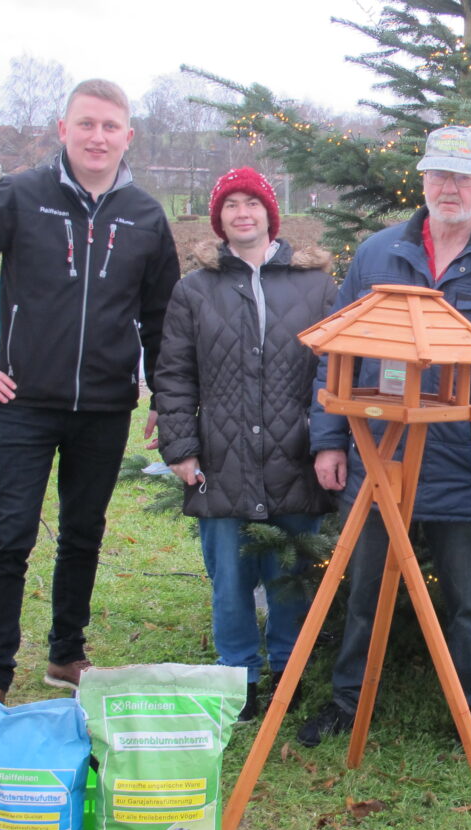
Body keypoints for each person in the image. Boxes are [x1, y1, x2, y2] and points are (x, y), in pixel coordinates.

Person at [0, 79, 180, 720]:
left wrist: (162, 397)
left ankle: (67, 653)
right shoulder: (20, 196)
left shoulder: (145, 216)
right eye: (86, 124)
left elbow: (161, 318)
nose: (97, 137)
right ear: (63, 129)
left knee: (83, 534)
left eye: (110, 127)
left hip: (103, 407)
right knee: (8, 536)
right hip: (24, 404)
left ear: (128, 136)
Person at [298, 125, 471, 752]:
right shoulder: (377, 255)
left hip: (468, 469)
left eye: (465, 177)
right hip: (378, 459)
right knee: (364, 589)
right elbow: (336, 353)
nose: (450, 187)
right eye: (440, 175)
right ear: (424, 180)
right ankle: (348, 702)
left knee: (469, 600)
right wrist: (330, 439)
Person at [156, 167, 337, 722]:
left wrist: (329, 442)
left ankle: (288, 670)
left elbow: (334, 368)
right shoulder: (194, 290)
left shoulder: (315, 286)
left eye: (252, 203)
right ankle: (240, 677)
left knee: (289, 573)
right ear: (219, 219)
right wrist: (182, 448)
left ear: (269, 213)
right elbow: (174, 374)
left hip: (295, 457)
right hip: (222, 459)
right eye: (230, 205)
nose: (242, 213)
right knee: (229, 579)